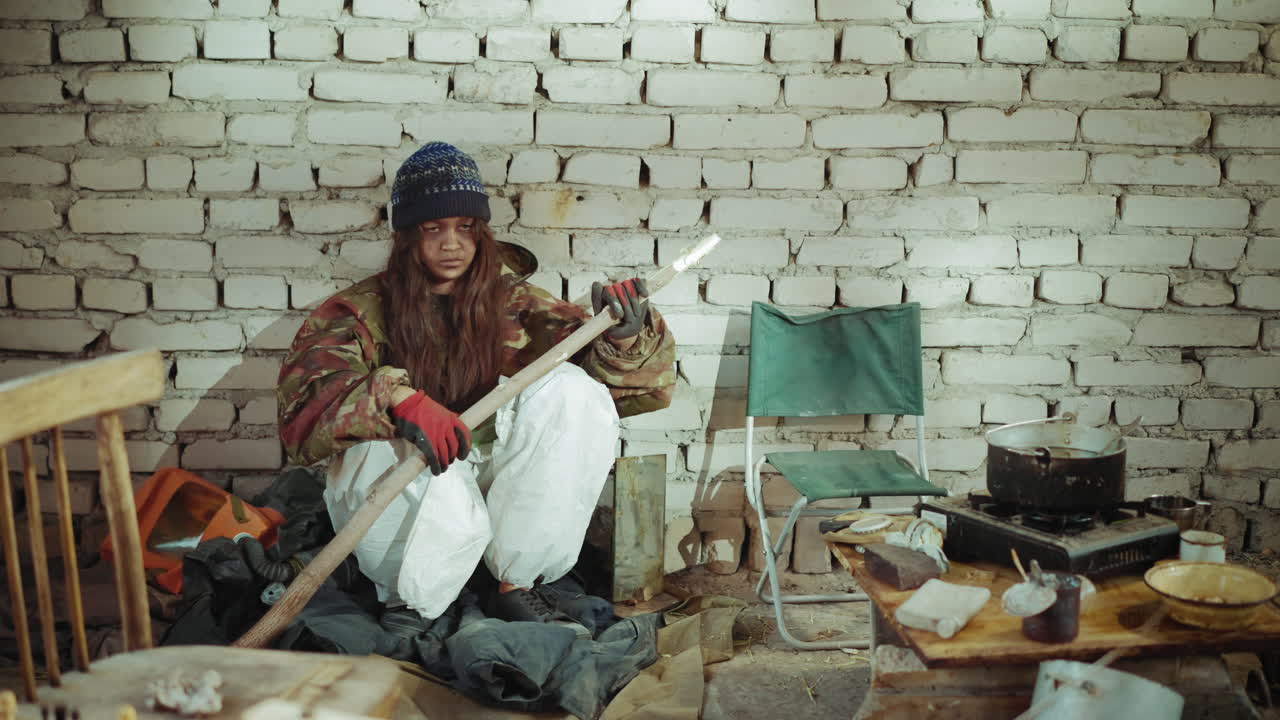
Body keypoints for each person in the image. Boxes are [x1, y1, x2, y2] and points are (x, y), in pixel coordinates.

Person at [276, 141, 676, 631]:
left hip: (493, 490)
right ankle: (411, 599)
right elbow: (307, 400)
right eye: (433, 228)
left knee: (573, 390)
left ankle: (516, 584)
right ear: (406, 237)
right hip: (413, 492)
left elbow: (625, 391)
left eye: (465, 227)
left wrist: (626, 336)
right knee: (375, 440)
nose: (451, 244)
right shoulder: (358, 311)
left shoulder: (514, 302)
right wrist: (396, 401)